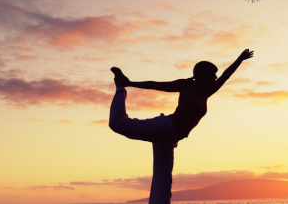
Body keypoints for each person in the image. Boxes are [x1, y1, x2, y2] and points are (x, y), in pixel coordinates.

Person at [109, 49, 254, 204]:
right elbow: (159, 85)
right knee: (119, 124)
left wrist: (240, 59)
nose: (216, 77)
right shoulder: (186, 85)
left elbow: (226, 75)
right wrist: (129, 83)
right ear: (204, 74)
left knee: (163, 183)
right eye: (213, 74)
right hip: (165, 126)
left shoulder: (205, 93)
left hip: (170, 138)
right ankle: (120, 87)